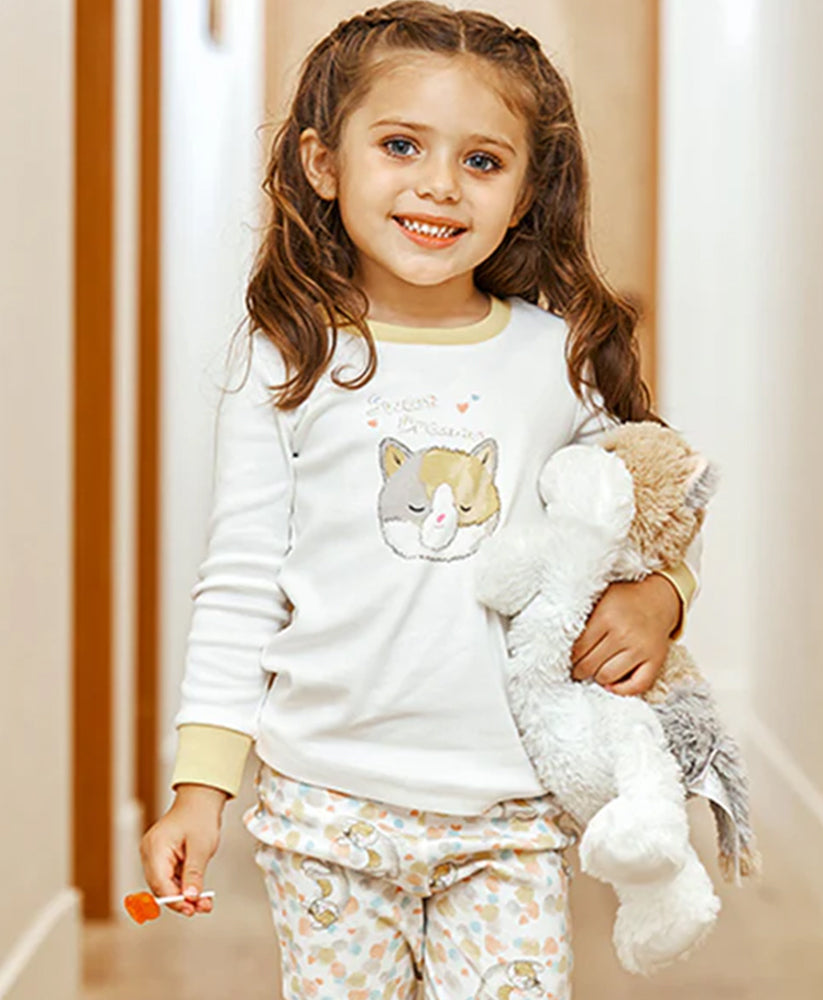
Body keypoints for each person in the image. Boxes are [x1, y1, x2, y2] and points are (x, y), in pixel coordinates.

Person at [140, 3, 704, 997]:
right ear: (323, 161)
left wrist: (663, 598)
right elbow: (235, 584)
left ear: (528, 190)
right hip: (326, 810)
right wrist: (200, 784)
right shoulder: (290, 360)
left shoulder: (555, 359)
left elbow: (641, 509)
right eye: (401, 145)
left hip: (508, 813)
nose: (439, 185)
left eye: (483, 161)